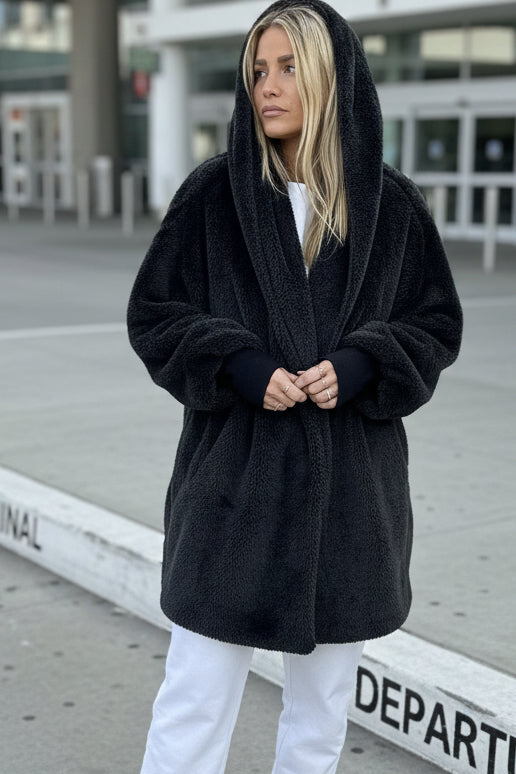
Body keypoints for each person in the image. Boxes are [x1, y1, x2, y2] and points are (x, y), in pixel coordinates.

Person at [126, 0, 463, 771]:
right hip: (232, 492)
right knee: (193, 705)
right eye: (257, 71)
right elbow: (156, 314)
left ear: (331, 79)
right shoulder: (214, 196)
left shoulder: (392, 207)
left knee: (320, 719)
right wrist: (239, 366)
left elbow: (434, 323)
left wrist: (363, 363)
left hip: (351, 501)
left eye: (287, 68)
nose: (267, 87)